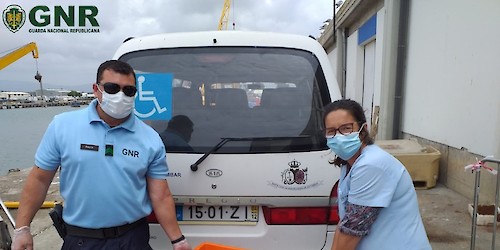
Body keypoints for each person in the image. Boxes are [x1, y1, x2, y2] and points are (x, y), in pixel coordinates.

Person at [11, 60, 191, 250]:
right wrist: (22, 228)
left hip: (132, 239)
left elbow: (160, 195)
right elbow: (39, 179)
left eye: (128, 91)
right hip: (80, 240)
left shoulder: (151, 139)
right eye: (112, 88)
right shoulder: (62, 126)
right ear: (96, 89)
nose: (121, 96)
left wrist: (178, 240)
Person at [324, 99, 431, 250]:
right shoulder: (349, 164)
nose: (338, 137)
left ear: (363, 129)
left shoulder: (371, 165)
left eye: (346, 128)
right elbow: (345, 223)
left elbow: (352, 231)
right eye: (331, 131)